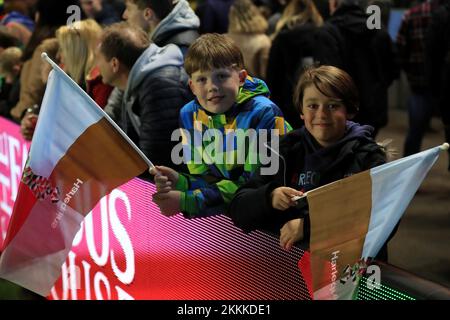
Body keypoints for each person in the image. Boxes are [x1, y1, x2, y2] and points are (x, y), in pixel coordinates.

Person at [228, 65, 391, 261]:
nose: (322, 114)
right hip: (289, 270)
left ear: (350, 110)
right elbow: (238, 209)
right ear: (301, 111)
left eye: (333, 106)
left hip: (349, 273)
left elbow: (384, 220)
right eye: (313, 106)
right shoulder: (282, 150)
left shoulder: (369, 157)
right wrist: (269, 196)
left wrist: (309, 227)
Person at [150, 33, 289, 219]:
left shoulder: (265, 113)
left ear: (241, 78)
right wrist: (181, 182)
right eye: (202, 80)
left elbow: (254, 187)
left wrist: (187, 201)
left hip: (274, 215)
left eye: (221, 76)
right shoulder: (188, 114)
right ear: (191, 86)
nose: (212, 86)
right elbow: (208, 179)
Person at [96, 22, 192, 170]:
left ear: (114, 64)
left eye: (98, 59)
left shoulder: (159, 86)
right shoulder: (133, 81)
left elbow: (156, 164)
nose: (96, 66)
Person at [327, 0, 398, 137]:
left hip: (344, 109)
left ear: (334, 4)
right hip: (374, 107)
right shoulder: (379, 30)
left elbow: (329, 76)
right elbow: (392, 69)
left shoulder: (330, 31)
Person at [226, 0, 271, 80]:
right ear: (255, 14)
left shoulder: (224, 40)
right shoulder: (264, 41)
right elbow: (266, 74)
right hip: (255, 89)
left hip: (231, 87)